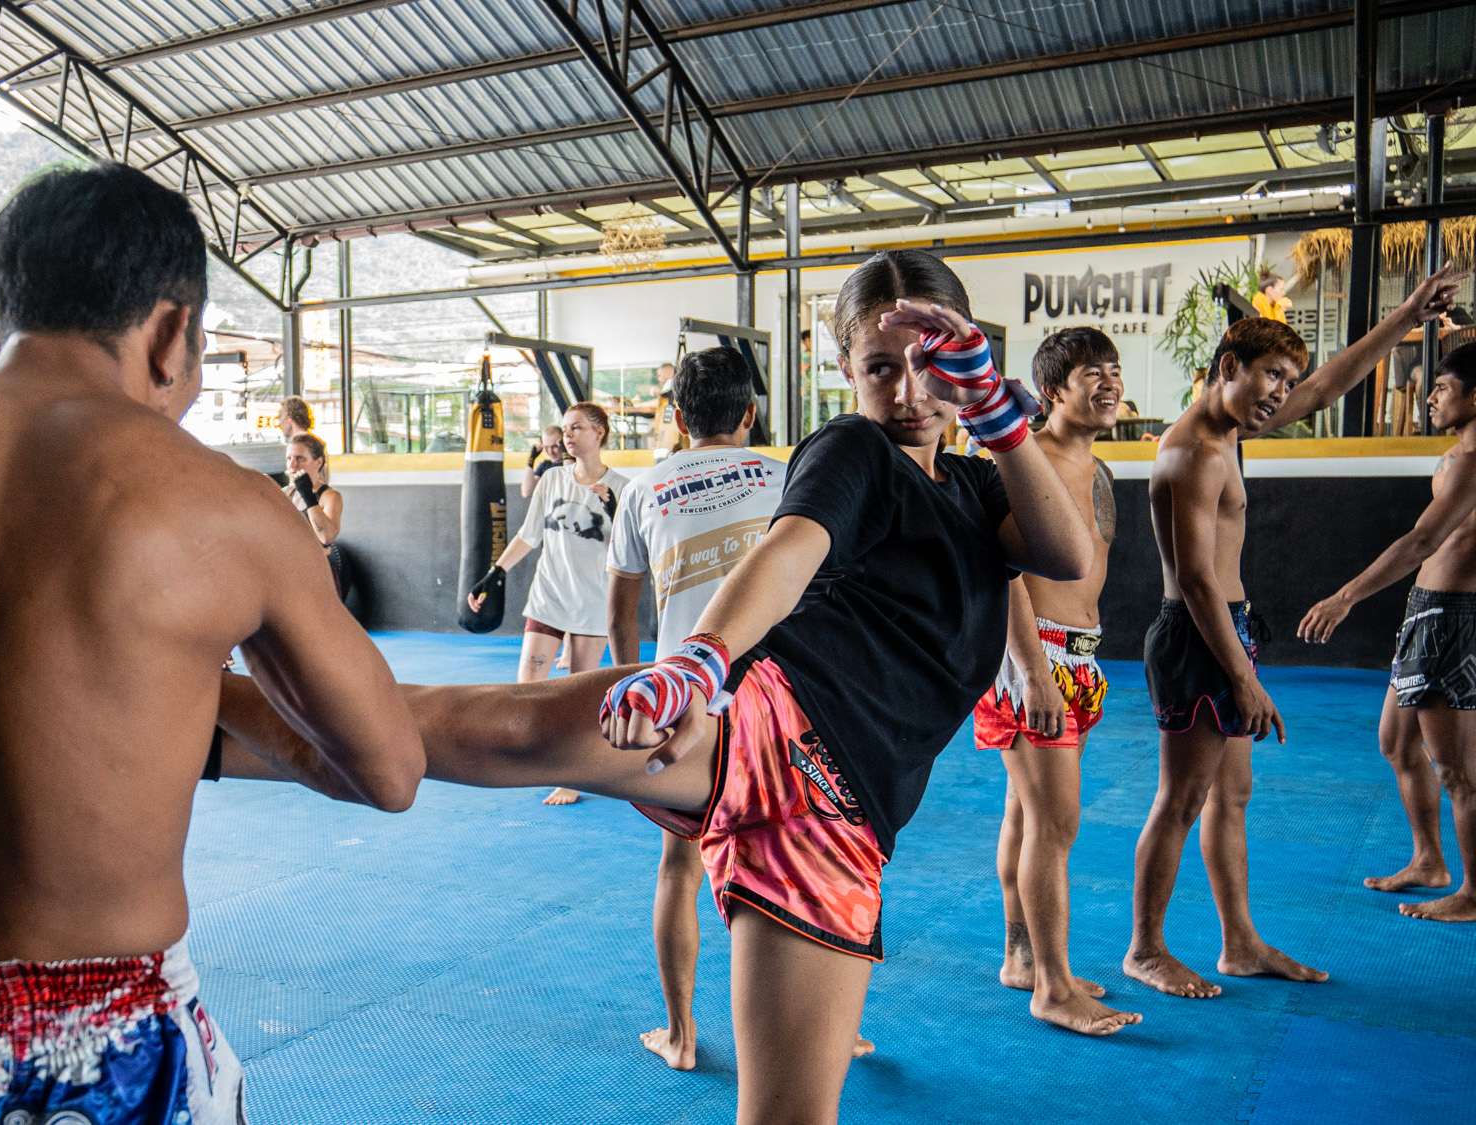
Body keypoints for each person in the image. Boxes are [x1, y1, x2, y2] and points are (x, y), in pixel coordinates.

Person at [223, 249, 1092, 1125]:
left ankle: (206, 723)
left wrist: (993, 412)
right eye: (879, 368)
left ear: (971, 357)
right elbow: (788, 551)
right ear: (843, 371)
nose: (907, 392)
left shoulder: (983, 485)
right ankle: (204, 720)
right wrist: (702, 658)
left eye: (930, 367)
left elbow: (1065, 553)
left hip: (842, 824)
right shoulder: (855, 448)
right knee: (476, 728)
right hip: (756, 724)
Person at [0, 163, 425, 1125]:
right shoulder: (229, 507)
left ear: (3, 315)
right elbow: (390, 768)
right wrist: (177, 702)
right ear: (170, 333)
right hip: (118, 1049)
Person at [1127, 262, 1467, 999]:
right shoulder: (1189, 449)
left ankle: (1240, 942)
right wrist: (1245, 678)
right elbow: (1192, 579)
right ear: (1229, 367)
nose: (1282, 394)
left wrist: (1408, 310)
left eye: (1286, 379)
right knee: (1182, 798)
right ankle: (1146, 948)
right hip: (1197, 634)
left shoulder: (1230, 427)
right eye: (1271, 376)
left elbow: (1329, 386)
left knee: (1232, 797)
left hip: (1228, 629)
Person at [606, 346, 785, 1070]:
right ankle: (839, 1025)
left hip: (687, 709)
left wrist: (640, 687)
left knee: (679, 866)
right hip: (785, 704)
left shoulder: (645, 489)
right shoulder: (786, 477)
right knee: (809, 860)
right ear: (750, 413)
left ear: (677, 418)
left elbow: (620, 611)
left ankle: (680, 1034)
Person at [969, 327, 1140, 1036]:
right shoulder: (1020, 457)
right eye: (1089, 372)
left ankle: (1023, 957)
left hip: (1079, 654)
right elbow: (1001, 571)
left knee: (1025, 813)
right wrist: (1035, 674)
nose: (1108, 382)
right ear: (1052, 390)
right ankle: (1054, 985)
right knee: (1056, 823)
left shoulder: (1100, 470)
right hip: (1030, 655)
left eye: (1114, 369)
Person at [1299, 340, 1476, 922]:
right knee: (1398, 743)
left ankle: (1472, 894)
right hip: (1427, 612)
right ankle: (1430, 860)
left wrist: (1346, 595)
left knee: (1457, 770)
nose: (1430, 397)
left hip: (1454, 620)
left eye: (1444, 388)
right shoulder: (1455, 457)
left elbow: (1424, 541)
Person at [467, 401, 627, 806]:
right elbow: (527, 535)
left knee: (576, 692)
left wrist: (613, 508)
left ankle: (572, 774)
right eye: (565, 429)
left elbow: (632, 550)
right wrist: (494, 574)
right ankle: (530, 757)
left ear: (599, 433)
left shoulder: (625, 487)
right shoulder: (552, 479)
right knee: (528, 685)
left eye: (577, 428)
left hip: (591, 602)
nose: (568, 435)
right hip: (548, 595)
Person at [285, 432, 350, 598]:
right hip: (290, 570)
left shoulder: (330, 497)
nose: (293, 465)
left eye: (300, 459)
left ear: (318, 462)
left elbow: (326, 537)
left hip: (319, 572)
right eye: (289, 459)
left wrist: (307, 495)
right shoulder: (286, 494)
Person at [521, 425, 566, 499]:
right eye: (547, 447)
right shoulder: (544, 466)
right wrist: (531, 459)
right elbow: (527, 492)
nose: (550, 452)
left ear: (563, 443)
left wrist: (565, 451)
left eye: (554, 446)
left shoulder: (574, 462)